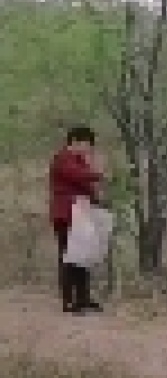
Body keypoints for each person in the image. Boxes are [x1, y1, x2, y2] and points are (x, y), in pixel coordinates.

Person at [48, 125, 105, 313]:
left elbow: (86, 185)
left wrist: (98, 202)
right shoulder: (62, 158)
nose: (89, 149)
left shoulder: (80, 161)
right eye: (87, 145)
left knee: (83, 258)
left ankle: (83, 298)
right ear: (75, 142)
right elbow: (78, 176)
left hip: (81, 214)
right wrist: (99, 174)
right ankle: (69, 301)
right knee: (69, 257)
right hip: (65, 215)